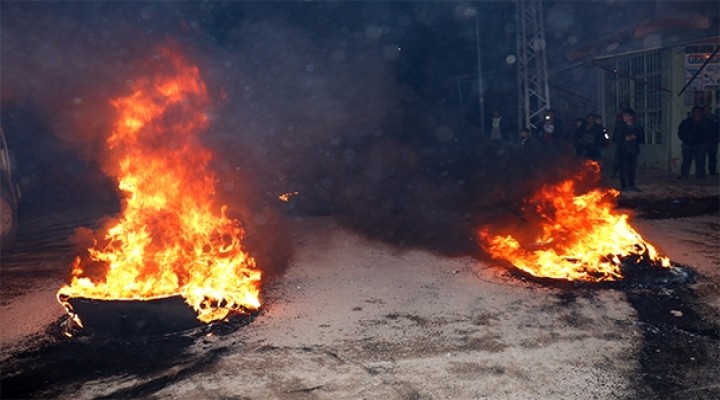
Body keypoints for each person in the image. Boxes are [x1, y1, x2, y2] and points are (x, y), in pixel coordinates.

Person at [677, 106, 712, 180]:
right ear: (692, 112)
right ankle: (684, 174)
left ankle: (699, 175)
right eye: (695, 111)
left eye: (698, 111)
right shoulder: (686, 122)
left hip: (701, 144)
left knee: (700, 160)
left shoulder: (706, 122)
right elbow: (681, 132)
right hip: (688, 144)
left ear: (701, 113)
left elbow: (710, 133)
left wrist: (705, 141)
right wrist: (686, 140)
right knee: (686, 160)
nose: (696, 113)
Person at [613, 108, 644, 191]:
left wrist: (635, 137)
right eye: (623, 116)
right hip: (622, 150)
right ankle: (624, 186)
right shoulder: (620, 126)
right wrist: (624, 138)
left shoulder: (637, 127)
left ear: (631, 117)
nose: (624, 117)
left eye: (626, 116)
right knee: (623, 168)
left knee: (632, 168)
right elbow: (615, 138)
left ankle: (631, 185)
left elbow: (642, 138)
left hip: (633, 150)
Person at [611, 102, 630, 177]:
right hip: (620, 142)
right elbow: (616, 130)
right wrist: (615, 139)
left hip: (628, 142)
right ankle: (616, 171)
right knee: (618, 157)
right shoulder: (619, 118)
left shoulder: (631, 118)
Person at [702, 105, 719, 176]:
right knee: (701, 157)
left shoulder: (716, 118)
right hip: (702, 141)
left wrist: (717, 137)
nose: (706, 111)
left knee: (712, 157)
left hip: (713, 141)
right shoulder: (701, 119)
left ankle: (712, 172)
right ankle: (701, 172)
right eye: (705, 109)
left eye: (707, 109)